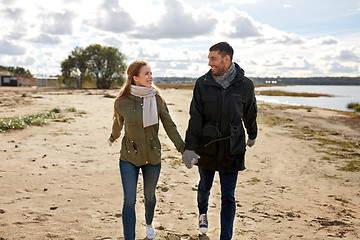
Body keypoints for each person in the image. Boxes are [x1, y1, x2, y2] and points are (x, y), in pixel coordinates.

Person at [182, 42, 257, 240]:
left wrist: (253, 134)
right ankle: (202, 213)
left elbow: (250, 113)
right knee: (204, 187)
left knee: (228, 197)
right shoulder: (202, 83)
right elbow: (195, 117)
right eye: (208, 59)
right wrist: (189, 148)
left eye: (213, 59)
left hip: (233, 147)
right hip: (206, 147)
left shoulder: (246, 85)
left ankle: (226, 237)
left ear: (226, 59)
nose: (209, 63)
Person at [108, 60, 185, 240]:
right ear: (135, 78)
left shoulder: (157, 99)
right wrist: (112, 137)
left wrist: (182, 148)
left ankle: (149, 222)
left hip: (152, 157)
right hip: (128, 157)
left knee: (149, 197)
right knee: (129, 200)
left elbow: (169, 125)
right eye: (147, 74)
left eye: (151, 73)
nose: (151, 77)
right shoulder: (122, 102)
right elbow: (118, 124)